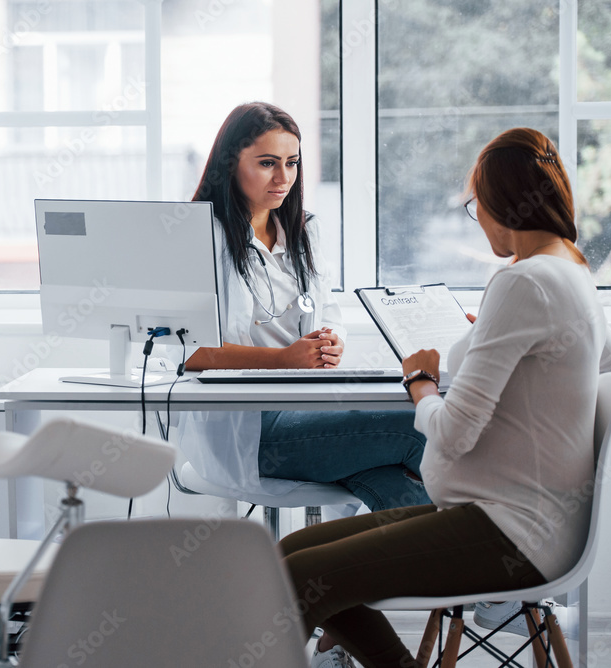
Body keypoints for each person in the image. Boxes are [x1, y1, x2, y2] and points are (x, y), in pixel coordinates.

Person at [276, 127, 611, 667]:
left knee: (300, 576)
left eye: (475, 204)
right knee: (287, 557)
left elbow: (453, 431)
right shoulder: (570, 271)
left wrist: (419, 383)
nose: (478, 218)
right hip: (512, 521)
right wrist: (493, 340)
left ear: (500, 202)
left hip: (509, 533)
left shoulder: (523, 285)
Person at [165, 101, 431, 666]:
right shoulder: (198, 237)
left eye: (292, 163)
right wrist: (284, 356)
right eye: (266, 163)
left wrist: (325, 345)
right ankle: (474, 572)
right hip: (247, 434)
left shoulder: (300, 231)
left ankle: (355, 638)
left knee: (381, 469)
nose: (283, 177)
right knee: (418, 430)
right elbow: (190, 355)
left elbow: (320, 319)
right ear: (228, 163)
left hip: (304, 414)